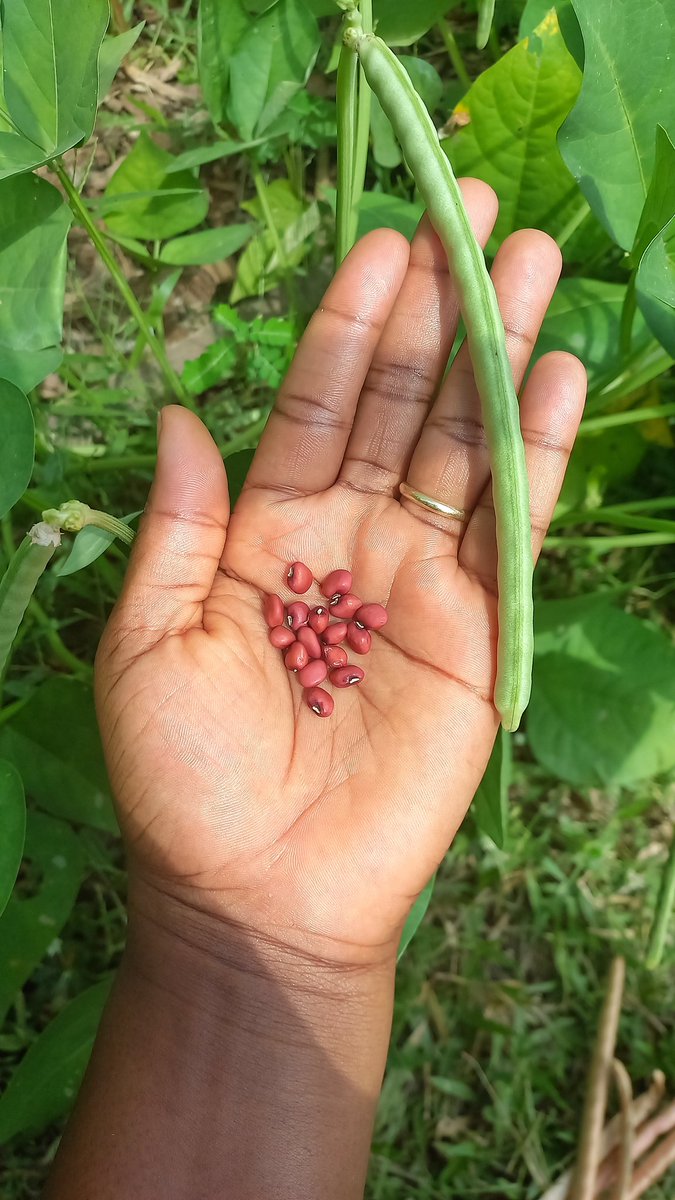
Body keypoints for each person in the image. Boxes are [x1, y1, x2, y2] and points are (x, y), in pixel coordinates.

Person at [44, 183, 586, 1199]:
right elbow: (320, 628)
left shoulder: (333, 623)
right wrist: (241, 937)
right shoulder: (315, 623)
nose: (319, 629)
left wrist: (248, 945)